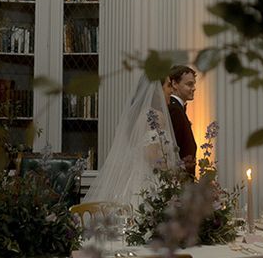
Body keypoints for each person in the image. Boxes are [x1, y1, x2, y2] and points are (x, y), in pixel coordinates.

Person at [83, 74, 179, 207]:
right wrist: (171, 169)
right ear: (157, 90)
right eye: (168, 85)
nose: (172, 90)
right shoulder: (156, 116)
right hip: (152, 182)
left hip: (134, 179)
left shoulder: (137, 116)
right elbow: (151, 154)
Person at [168, 64, 197, 177]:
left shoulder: (177, 108)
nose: (194, 88)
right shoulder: (175, 110)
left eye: (194, 84)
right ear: (174, 84)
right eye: (189, 84)